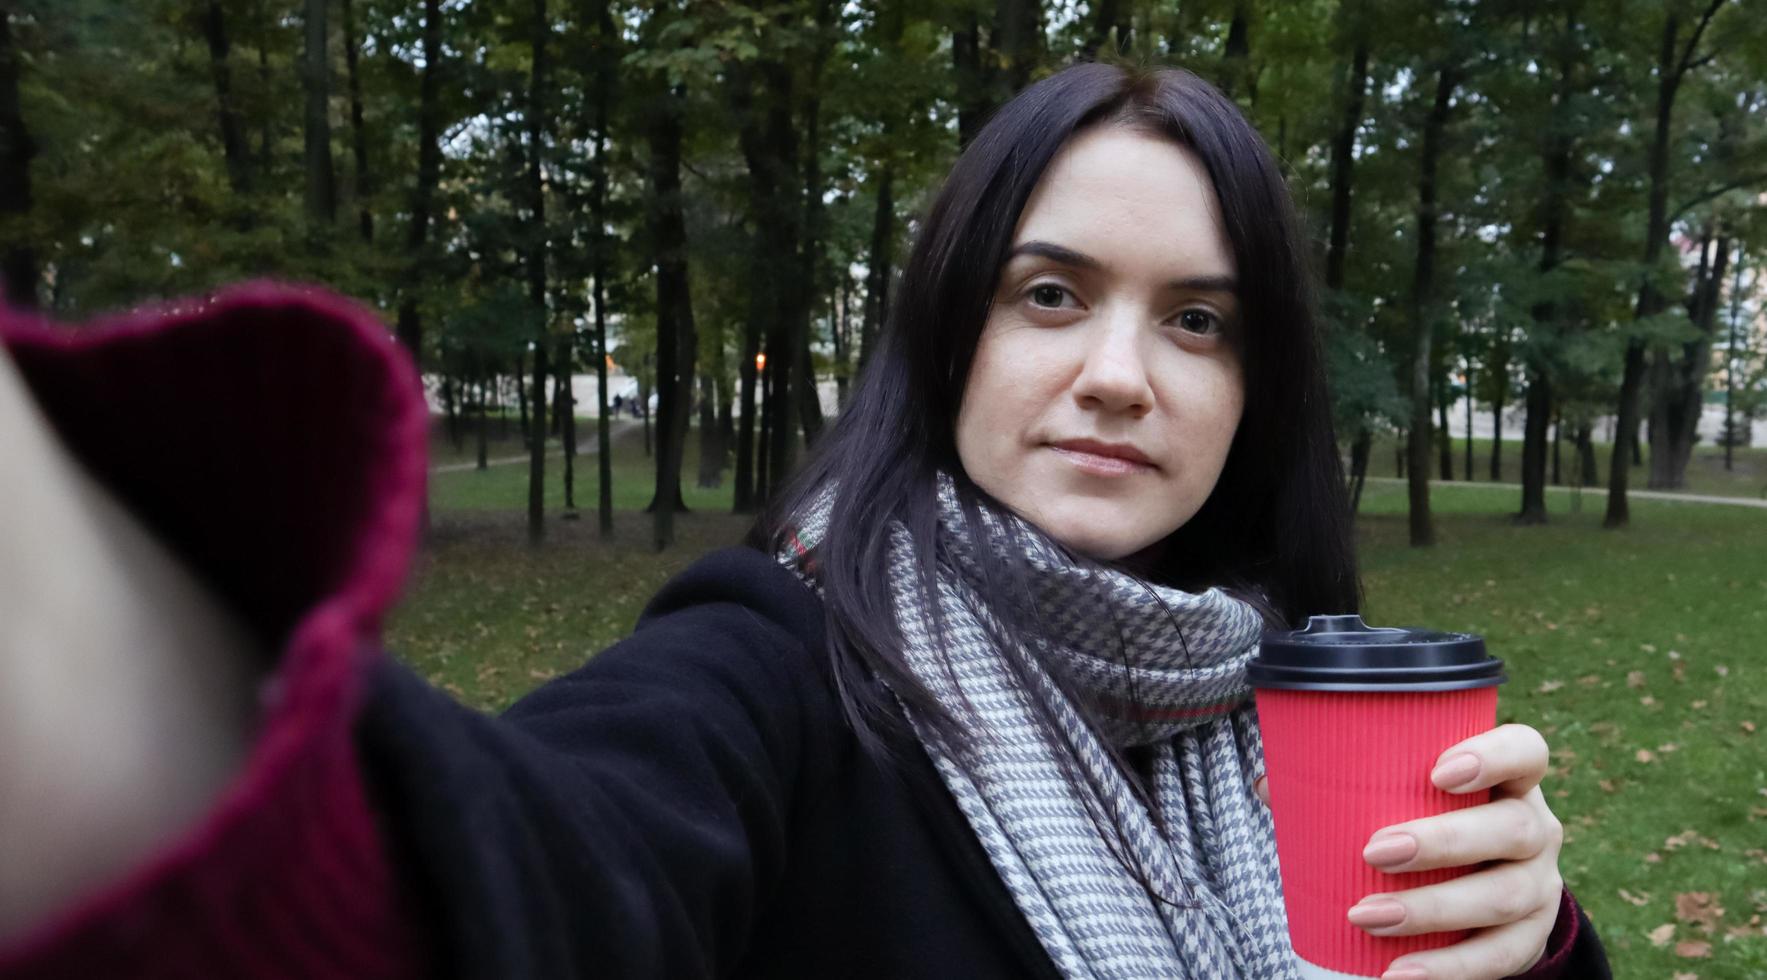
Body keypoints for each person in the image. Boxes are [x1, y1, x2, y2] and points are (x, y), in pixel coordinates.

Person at [0, 64, 1607, 979]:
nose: (1122, 375)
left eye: (1201, 321)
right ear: (946, 334)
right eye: (1051, 295)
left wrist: (1536, 944)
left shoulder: (1293, 697)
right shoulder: (775, 670)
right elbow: (552, 873)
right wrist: (132, 665)